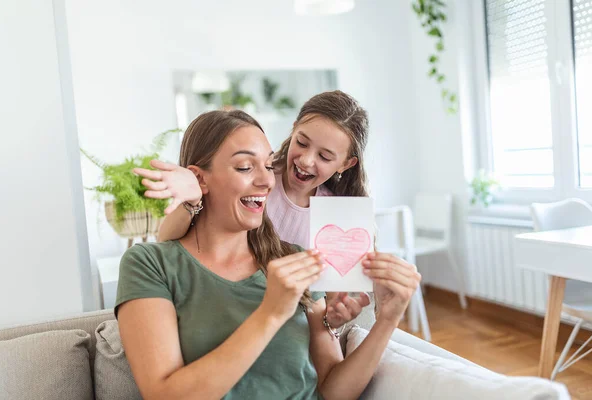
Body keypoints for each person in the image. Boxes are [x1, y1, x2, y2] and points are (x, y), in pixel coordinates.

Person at [116, 109, 421, 399]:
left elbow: (334, 391)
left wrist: (388, 318)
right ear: (199, 179)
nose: (266, 181)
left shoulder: (295, 260)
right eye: (245, 167)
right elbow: (163, 395)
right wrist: (272, 312)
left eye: (268, 164)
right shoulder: (149, 264)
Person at [135, 90, 372, 329]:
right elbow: (167, 242)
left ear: (346, 163)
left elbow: (328, 305)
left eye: (324, 156)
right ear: (293, 129)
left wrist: (332, 318)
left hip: (290, 323)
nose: (306, 160)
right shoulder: (253, 183)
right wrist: (193, 197)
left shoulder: (340, 214)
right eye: (301, 142)